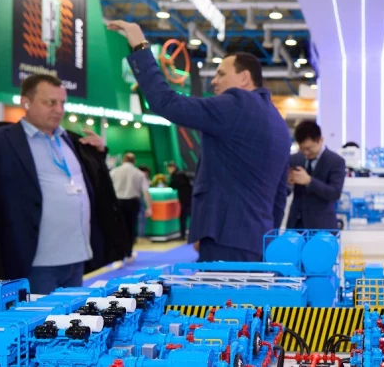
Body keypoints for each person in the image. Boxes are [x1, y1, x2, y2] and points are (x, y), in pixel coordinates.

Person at [108, 20, 291, 262]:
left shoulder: (236, 104)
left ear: (244, 78)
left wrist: (140, 47)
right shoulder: (279, 123)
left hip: (225, 240)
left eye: (221, 74)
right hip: (258, 241)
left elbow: (166, 102)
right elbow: (279, 195)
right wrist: (264, 238)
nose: (214, 81)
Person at [0, 75, 128, 292]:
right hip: (34, 264)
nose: (59, 110)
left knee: (72, 313)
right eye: (50, 102)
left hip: (77, 259)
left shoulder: (73, 142)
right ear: (26, 102)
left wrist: (98, 154)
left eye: (62, 103)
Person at [287, 121, 347, 229]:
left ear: (320, 140)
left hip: (322, 226)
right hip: (296, 225)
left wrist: (309, 181)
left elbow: (335, 193)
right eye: (302, 148)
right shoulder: (294, 159)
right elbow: (286, 191)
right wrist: (288, 183)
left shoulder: (336, 161)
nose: (305, 153)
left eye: (309, 148)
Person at [110, 153, 153, 260]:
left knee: (119, 228)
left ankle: (119, 254)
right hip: (133, 203)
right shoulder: (139, 173)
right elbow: (146, 192)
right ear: (134, 161)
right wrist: (149, 207)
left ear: (123, 160)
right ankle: (128, 253)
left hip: (118, 202)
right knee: (131, 227)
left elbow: (108, 189)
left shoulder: (114, 171)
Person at [168, 162, 193, 240]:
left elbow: (172, 185)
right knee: (189, 216)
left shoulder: (177, 175)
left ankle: (183, 235)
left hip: (185, 199)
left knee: (183, 217)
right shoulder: (182, 174)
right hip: (189, 198)